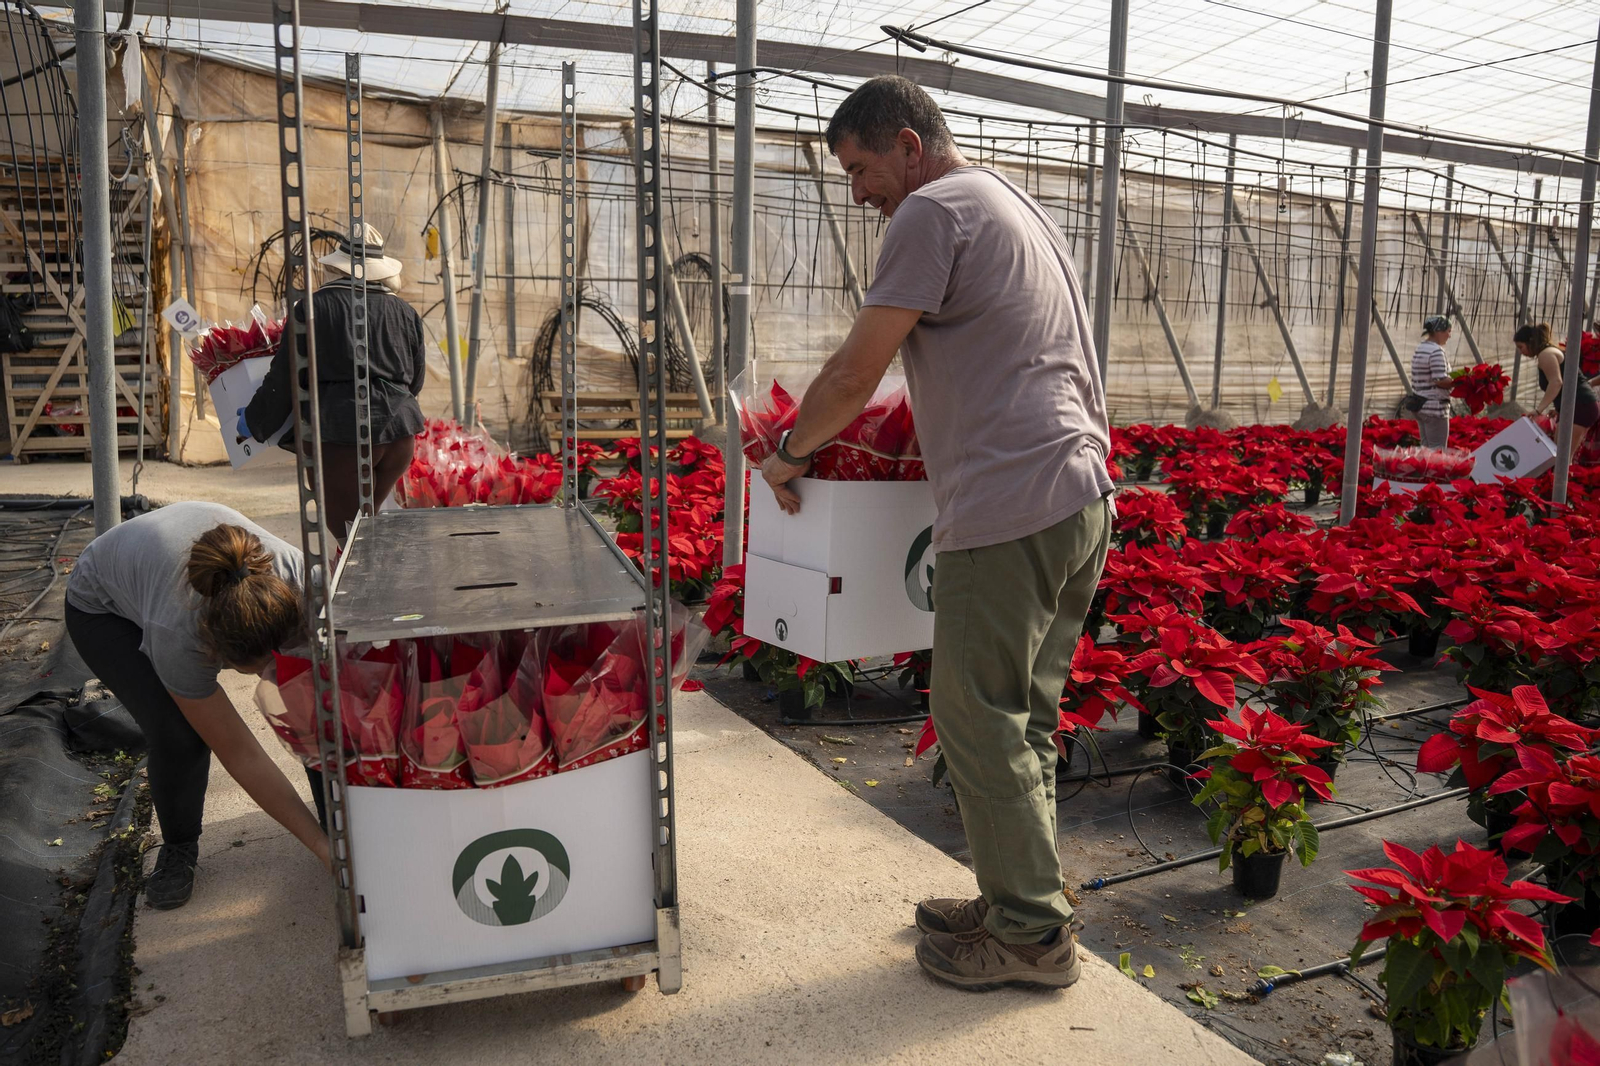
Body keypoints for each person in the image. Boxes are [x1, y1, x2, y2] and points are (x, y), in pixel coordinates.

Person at [761, 76, 1112, 991]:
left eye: (862, 167)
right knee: (1020, 717)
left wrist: (791, 451)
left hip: (1011, 507)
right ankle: (1017, 901)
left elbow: (853, 374)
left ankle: (1032, 939)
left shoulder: (930, 212)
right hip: (1077, 497)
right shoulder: (1008, 201)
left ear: (909, 146)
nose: (858, 190)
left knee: (973, 717)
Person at [64, 503, 328, 909]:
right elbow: (241, 754)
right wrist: (322, 849)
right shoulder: (179, 637)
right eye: (257, 669)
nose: (271, 677)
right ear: (216, 652)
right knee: (180, 735)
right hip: (102, 604)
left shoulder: (305, 582)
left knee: (314, 693)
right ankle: (179, 845)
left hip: (190, 558)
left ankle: (332, 809)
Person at [241, 224, 426, 542]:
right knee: (366, 523)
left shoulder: (311, 310)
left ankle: (363, 588)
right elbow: (415, 381)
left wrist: (254, 422)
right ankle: (369, 582)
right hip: (399, 437)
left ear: (336, 266)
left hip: (342, 432)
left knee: (348, 533)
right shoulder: (406, 313)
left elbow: (286, 378)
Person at [1514, 321, 1600, 452]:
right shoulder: (1547, 353)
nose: (1521, 352)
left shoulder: (1546, 354)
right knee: (1559, 455)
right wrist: (1559, 408)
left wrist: (1538, 410)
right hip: (1576, 406)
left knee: (1562, 456)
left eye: (1521, 347)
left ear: (1531, 341)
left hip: (1580, 406)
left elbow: (1556, 382)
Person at [1410, 315, 1454, 448]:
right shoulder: (1436, 351)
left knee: (1426, 448)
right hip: (1434, 408)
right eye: (1448, 331)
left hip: (1421, 405)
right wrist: (1462, 382)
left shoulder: (1421, 348)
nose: (1449, 335)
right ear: (1438, 331)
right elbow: (1440, 380)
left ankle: (1424, 469)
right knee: (1437, 450)